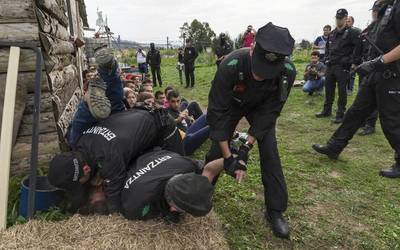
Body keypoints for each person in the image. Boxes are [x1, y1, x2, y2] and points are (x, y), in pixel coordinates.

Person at [206, 23, 296, 239]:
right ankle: (204, 191)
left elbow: (271, 112)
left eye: (268, 72)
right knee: (216, 152)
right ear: (253, 48)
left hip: (262, 107)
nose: (260, 76)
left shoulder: (288, 72)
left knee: (270, 151)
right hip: (233, 104)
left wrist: (246, 148)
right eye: (258, 68)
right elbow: (217, 115)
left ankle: (275, 210)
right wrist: (229, 158)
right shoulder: (230, 64)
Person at [312, 0, 400, 178]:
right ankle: (335, 146)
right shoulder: (385, 9)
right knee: (354, 113)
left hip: (392, 74)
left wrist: (379, 62)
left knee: (391, 121)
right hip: (375, 73)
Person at [48, 106, 184, 213]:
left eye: (80, 182)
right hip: (138, 118)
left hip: (163, 128)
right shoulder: (82, 142)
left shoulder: (109, 159)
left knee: (178, 176)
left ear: (86, 169)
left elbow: (115, 203)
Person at [121, 148, 222, 222]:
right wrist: (161, 213)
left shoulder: (188, 165)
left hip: (152, 154)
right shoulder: (135, 204)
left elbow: (209, 169)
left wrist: (230, 160)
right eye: (177, 208)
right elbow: (132, 212)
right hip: (134, 160)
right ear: (172, 208)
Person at [67, 46, 126, 147]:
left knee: (76, 137)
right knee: (116, 105)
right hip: (109, 129)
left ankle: (108, 71)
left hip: (87, 140)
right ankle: (109, 70)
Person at [316, 9, 361, 124]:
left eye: (341, 18)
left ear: (346, 19)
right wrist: (326, 58)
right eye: (337, 18)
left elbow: (358, 48)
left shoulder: (352, 33)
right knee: (329, 89)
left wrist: (351, 61)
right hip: (331, 66)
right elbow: (327, 48)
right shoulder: (332, 33)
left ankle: (340, 115)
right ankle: (326, 111)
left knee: (342, 92)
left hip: (343, 67)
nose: (338, 20)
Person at [353, 2, 382, 136]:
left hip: (379, 67)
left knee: (374, 97)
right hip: (365, 67)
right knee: (362, 94)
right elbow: (358, 49)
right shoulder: (368, 30)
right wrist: (356, 63)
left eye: (377, 11)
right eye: (374, 11)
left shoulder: (384, 30)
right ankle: (363, 121)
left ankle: (370, 124)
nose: (374, 13)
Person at [167, 90, 209, 155]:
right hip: (183, 143)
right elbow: (166, 127)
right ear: (168, 101)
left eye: (178, 101)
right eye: (173, 101)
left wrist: (188, 118)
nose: (176, 104)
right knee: (210, 127)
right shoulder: (166, 113)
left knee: (206, 116)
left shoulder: (178, 110)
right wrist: (177, 120)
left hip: (188, 131)